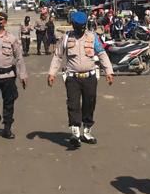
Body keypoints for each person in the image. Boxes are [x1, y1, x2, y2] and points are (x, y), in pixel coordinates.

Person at [48, 11, 115, 146]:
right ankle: (75, 133)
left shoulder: (92, 37)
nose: (80, 29)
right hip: (72, 77)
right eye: (77, 26)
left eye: (82, 26)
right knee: (73, 104)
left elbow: (101, 54)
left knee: (89, 104)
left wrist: (109, 71)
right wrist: (52, 73)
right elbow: (58, 56)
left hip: (90, 77)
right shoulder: (66, 38)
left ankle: (87, 132)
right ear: (72, 25)